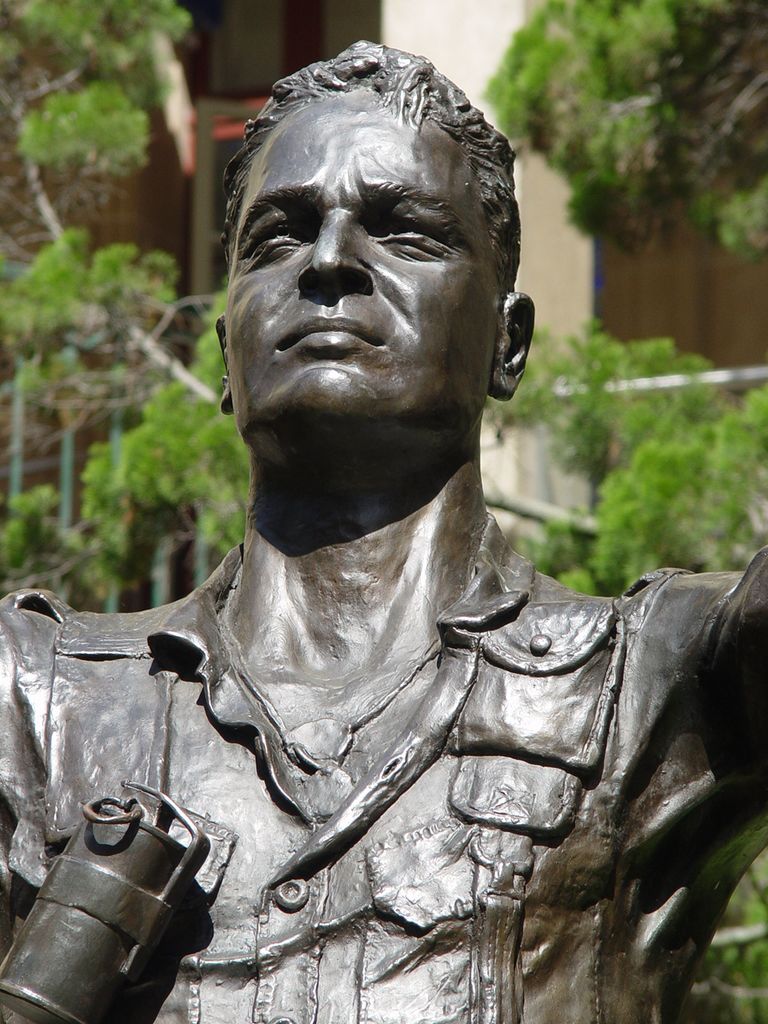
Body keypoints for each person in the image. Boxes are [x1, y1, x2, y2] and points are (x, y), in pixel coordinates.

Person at [1, 40, 767, 1024]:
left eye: (404, 233)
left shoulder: (655, 681)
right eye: (278, 236)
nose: (327, 263)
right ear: (224, 349)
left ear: (509, 341)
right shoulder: (42, 703)